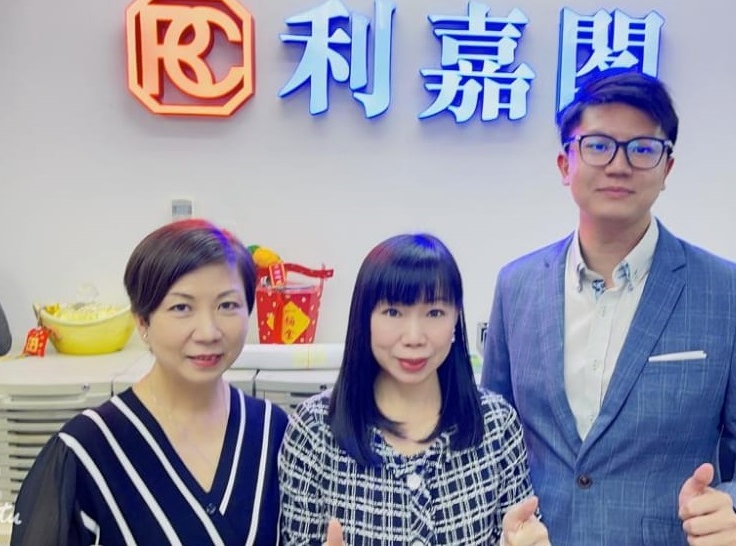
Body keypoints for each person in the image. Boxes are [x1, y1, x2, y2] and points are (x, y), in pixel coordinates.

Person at [480, 70, 736, 546]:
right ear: (565, 164)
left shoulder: (733, 296)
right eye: (597, 145)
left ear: (666, 168)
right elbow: (493, 437)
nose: (619, 165)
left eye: (642, 148)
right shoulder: (517, 286)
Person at [12, 219, 288, 545]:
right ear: (142, 321)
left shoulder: (273, 432)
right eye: (181, 307)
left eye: (227, 305)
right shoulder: (86, 450)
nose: (208, 332)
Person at [279, 233, 550, 546]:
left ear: (455, 319)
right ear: (364, 319)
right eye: (393, 312)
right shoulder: (314, 430)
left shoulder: (496, 424)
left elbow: (519, 531)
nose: (414, 337)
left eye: (434, 313)